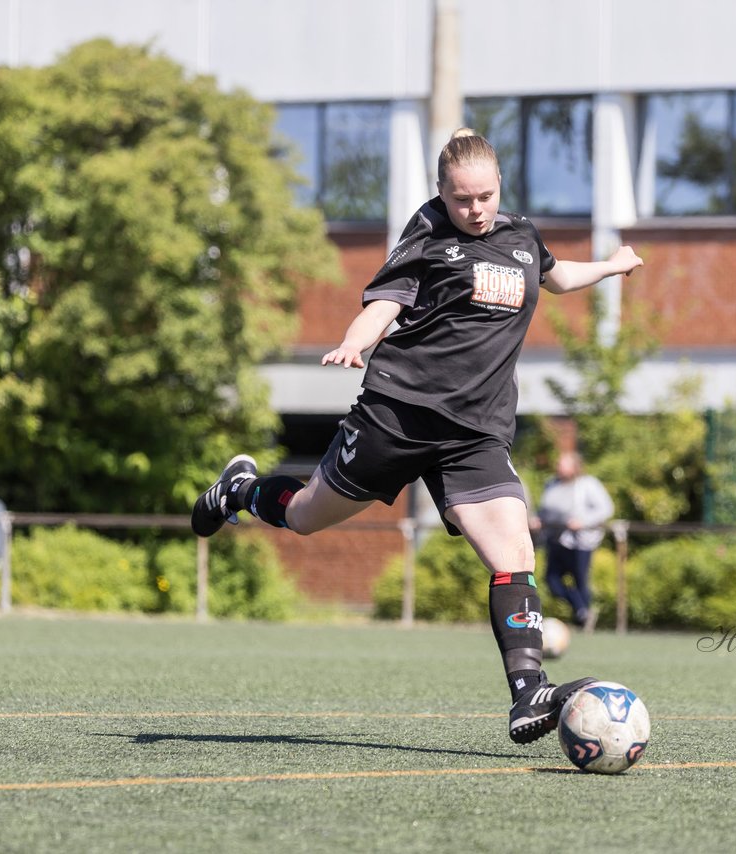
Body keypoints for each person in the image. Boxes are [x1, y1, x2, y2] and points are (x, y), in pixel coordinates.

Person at [191, 128, 643, 746]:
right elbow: (384, 302)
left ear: (499, 186)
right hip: (398, 415)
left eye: (483, 196)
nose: (474, 210)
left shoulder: (518, 234)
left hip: (475, 433)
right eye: (462, 199)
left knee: (514, 554)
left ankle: (527, 692)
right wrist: (356, 339)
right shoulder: (429, 233)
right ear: (441, 192)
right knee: (301, 518)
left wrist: (614, 266)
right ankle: (239, 490)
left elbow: (556, 276)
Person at [536, 450, 614, 632]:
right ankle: (581, 610)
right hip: (556, 539)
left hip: (580, 542)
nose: (558, 466)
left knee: (580, 580)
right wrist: (539, 519)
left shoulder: (587, 484)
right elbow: (545, 510)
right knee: (552, 581)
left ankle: (583, 618)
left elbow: (606, 508)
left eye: (563, 463)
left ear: (575, 466)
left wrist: (584, 521)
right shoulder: (552, 484)